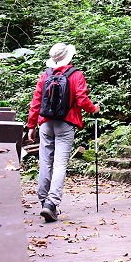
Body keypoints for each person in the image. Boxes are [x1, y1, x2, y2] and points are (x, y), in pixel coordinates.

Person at [26, 42, 99, 223]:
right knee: (59, 164)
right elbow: (82, 100)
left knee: (45, 162)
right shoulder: (76, 75)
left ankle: (43, 199)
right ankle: (51, 204)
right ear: (69, 57)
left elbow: (36, 101)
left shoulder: (45, 76)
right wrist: (94, 109)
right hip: (65, 124)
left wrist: (31, 125)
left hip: (45, 124)